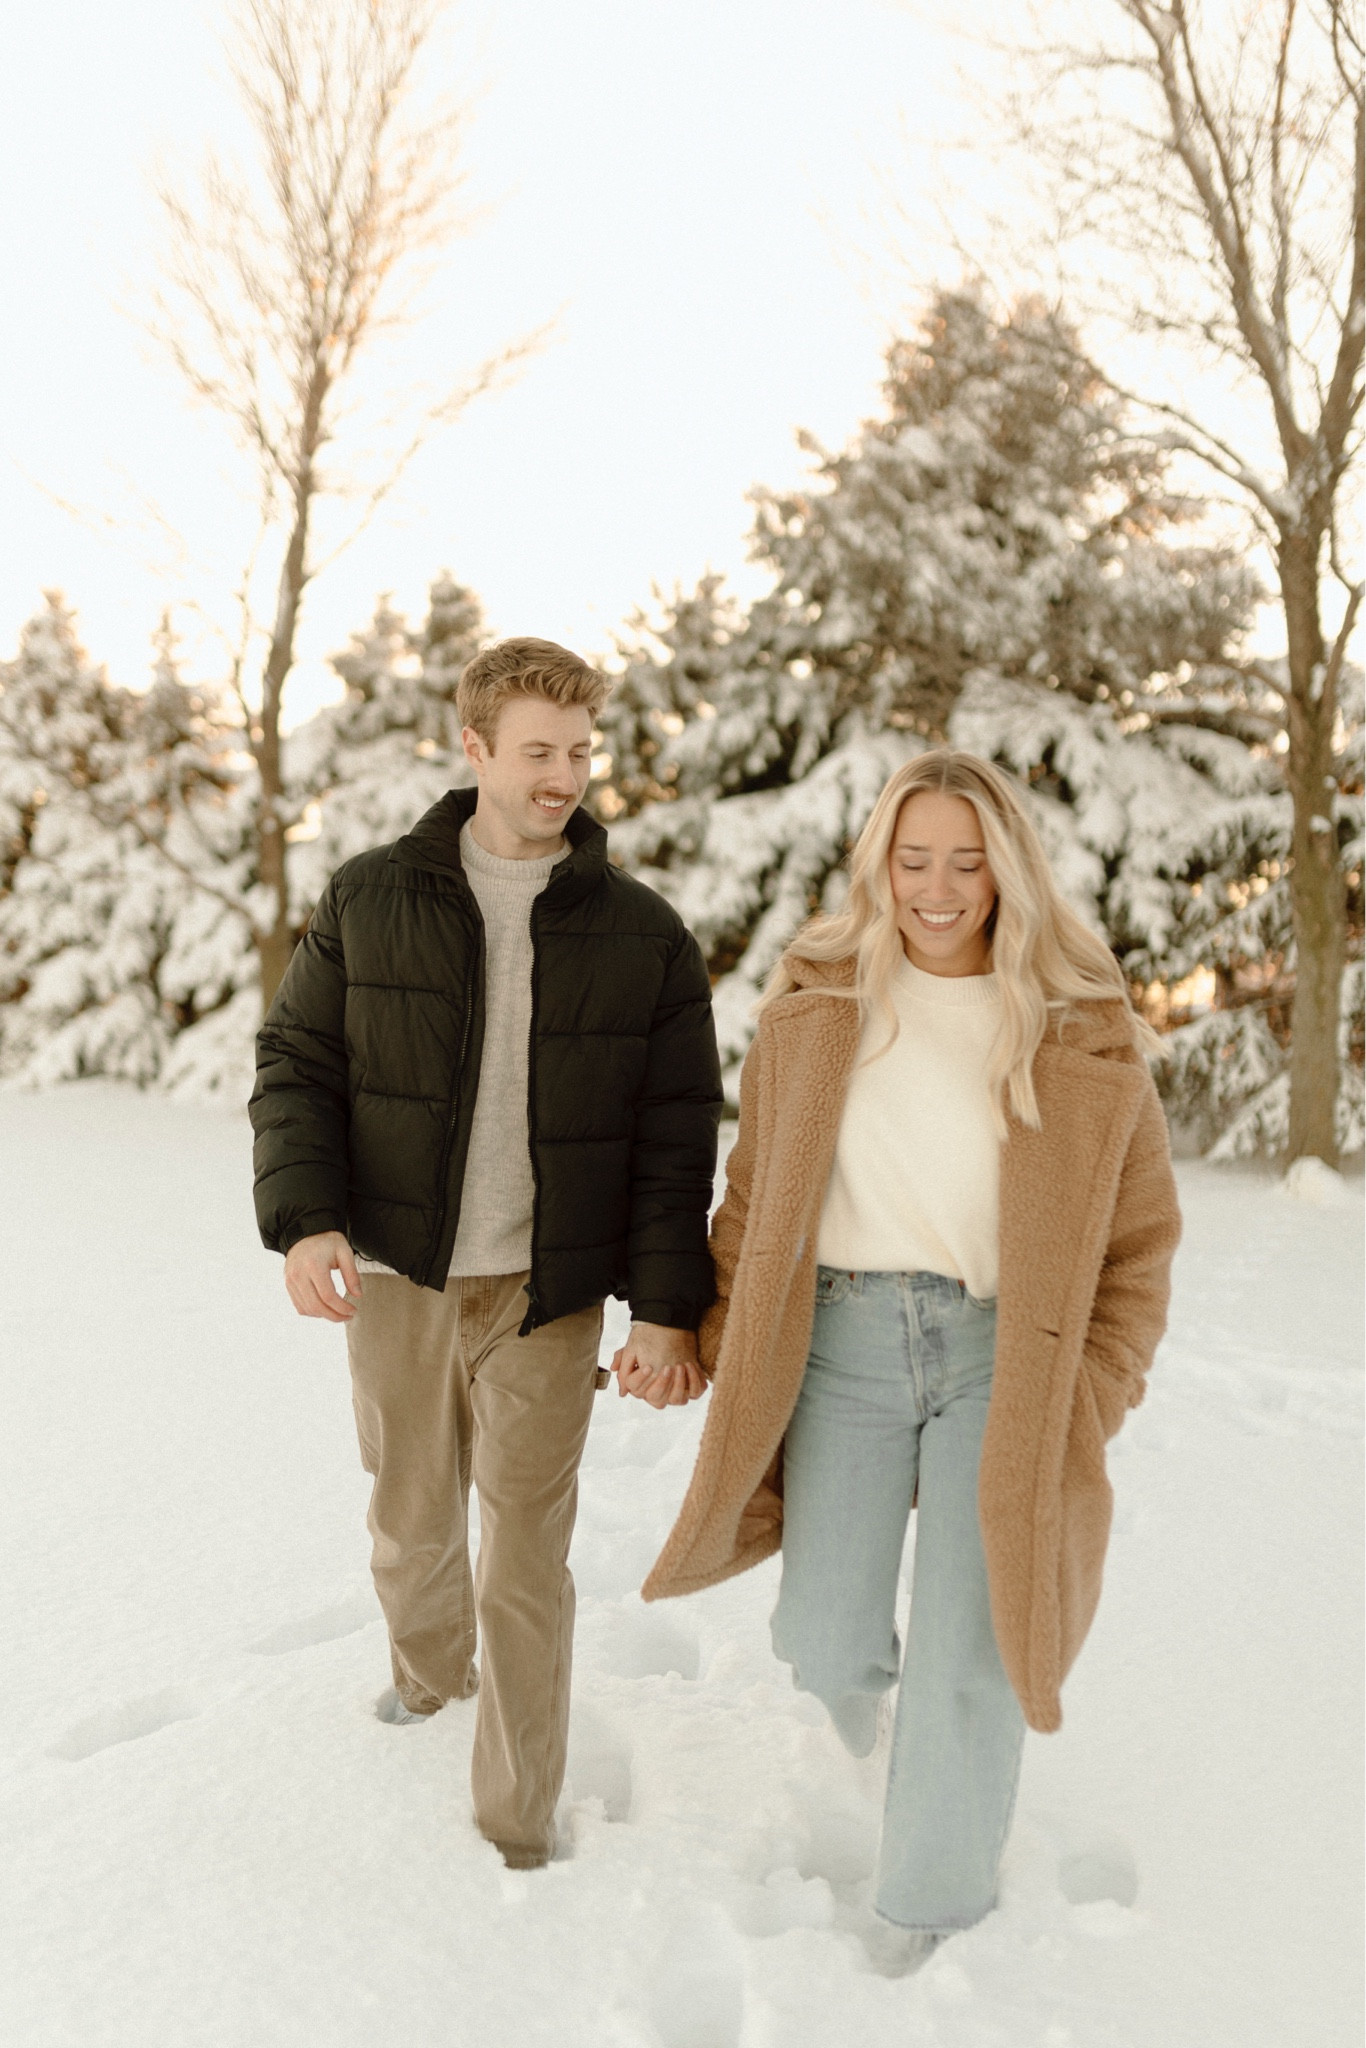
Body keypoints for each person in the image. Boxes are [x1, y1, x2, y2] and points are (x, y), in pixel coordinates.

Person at [638, 749, 1181, 1969]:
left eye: (967, 860)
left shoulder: (1080, 1028)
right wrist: (710, 1332)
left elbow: (1139, 1248)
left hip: (1004, 1351)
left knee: (970, 1647)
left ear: (1008, 872)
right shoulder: (815, 1008)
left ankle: (931, 1912)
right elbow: (752, 1199)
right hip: (841, 1343)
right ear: (878, 860)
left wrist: (1089, 1391)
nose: (938, 886)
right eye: (913, 856)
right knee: (824, 1634)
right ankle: (869, 1719)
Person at [249, 637, 720, 1870]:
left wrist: (664, 1308)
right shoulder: (371, 896)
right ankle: (425, 1668)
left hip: (542, 1288)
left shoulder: (645, 935)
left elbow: (677, 1137)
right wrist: (306, 1219)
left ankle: (517, 1816)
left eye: (577, 751)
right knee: (411, 1524)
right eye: (536, 750)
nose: (562, 774)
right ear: (474, 748)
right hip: (399, 1276)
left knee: (526, 1548)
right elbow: (294, 1062)